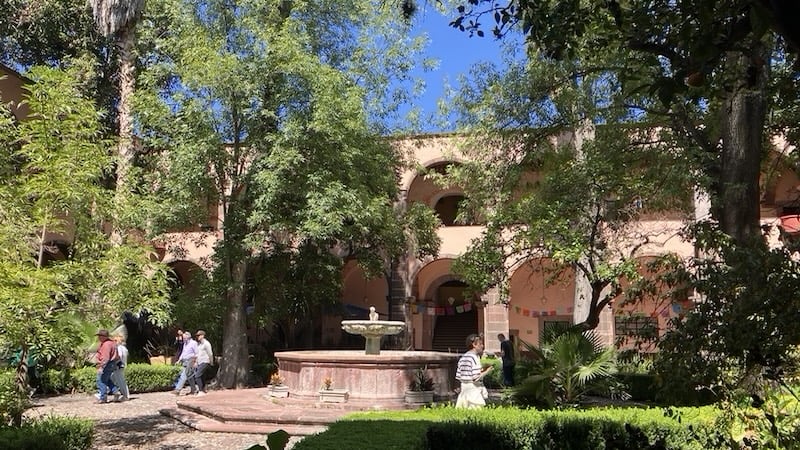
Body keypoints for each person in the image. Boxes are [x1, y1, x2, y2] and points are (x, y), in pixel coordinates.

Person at [455, 333, 492, 408]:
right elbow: (475, 378)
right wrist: (487, 370)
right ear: (474, 345)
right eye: (480, 344)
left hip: (464, 389)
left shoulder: (463, 358)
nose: (482, 346)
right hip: (473, 391)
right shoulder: (474, 358)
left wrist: (481, 370)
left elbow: (459, 376)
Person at [95, 329, 119, 404]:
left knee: (101, 380)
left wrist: (101, 367)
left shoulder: (106, 345)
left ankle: (103, 398)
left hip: (107, 364)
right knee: (107, 379)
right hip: (111, 363)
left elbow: (105, 357)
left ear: (103, 337)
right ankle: (115, 391)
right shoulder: (112, 343)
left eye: (100, 336)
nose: (98, 337)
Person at [172, 331, 198, 395]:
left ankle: (178, 389)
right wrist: (179, 360)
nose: (183, 339)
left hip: (191, 360)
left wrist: (196, 362)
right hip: (185, 361)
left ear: (188, 337)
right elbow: (183, 353)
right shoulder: (185, 344)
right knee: (190, 376)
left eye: (184, 338)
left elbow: (197, 353)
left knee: (184, 375)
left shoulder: (193, 343)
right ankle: (194, 390)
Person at [192, 330, 214, 396]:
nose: (197, 337)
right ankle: (203, 389)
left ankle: (201, 391)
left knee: (197, 375)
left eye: (199, 335)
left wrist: (211, 361)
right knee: (202, 376)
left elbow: (210, 353)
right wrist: (196, 362)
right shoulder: (199, 344)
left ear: (203, 336)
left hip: (205, 361)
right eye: (197, 336)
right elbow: (198, 354)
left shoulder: (206, 343)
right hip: (200, 362)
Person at [110, 333, 130, 401]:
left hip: (118, 366)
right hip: (121, 366)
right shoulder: (124, 348)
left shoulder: (119, 348)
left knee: (120, 381)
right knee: (114, 379)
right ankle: (117, 394)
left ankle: (125, 395)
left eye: (115, 340)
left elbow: (119, 356)